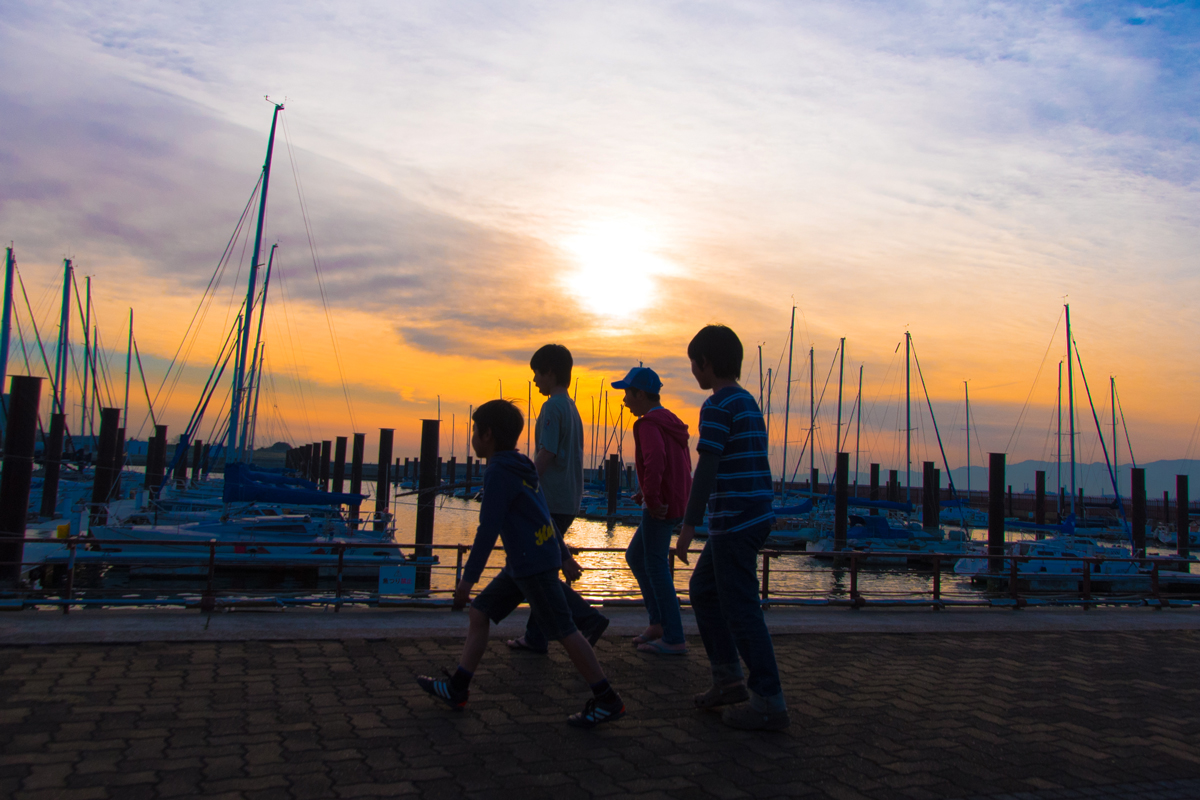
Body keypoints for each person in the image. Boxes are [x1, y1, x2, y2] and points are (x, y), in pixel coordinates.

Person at [415, 399, 626, 728]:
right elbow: (544, 514)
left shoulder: (499, 471)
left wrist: (467, 581)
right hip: (522, 563)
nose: (472, 437)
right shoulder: (522, 465)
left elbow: (488, 530)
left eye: (474, 430)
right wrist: (564, 555)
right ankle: (458, 687)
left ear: (487, 435)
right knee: (480, 612)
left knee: (566, 631)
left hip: (532, 565)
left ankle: (607, 698)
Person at [675, 325, 789, 730]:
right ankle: (728, 680)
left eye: (693, 364)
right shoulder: (747, 402)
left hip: (735, 523)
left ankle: (769, 701)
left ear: (706, 363)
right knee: (705, 591)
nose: (693, 371)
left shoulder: (717, 405)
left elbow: (707, 466)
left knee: (741, 610)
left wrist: (688, 524)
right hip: (752, 517)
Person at [505, 344, 609, 653]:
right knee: (541, 568)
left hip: (550, 500)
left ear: (550, 372)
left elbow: (546, 452)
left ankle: (587, 618)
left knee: (536, 571)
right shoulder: (571, 407)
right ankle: (536, 636)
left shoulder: (552, 407)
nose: (535, 380)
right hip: (569, 498)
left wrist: (524, 484)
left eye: (537, 373)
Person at [612, 366, 692, 655]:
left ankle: (674, 636)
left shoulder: (647, 424)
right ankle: (657, 624)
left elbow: (656, 458)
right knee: (636, 556)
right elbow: (677, 463)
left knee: (656, 566)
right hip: (675, 502)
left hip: (661, 507)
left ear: (641, 395)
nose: (624, 401)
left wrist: (654, 499)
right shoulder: (671, 421)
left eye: (627, 394)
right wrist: (645, 492)